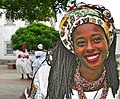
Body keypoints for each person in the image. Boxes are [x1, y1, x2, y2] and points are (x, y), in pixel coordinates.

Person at [22, 2, 120, 99]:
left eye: (97, 39)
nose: (90, 48)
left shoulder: (117, 83)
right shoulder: (46, 78)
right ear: (72, 47)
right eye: (81, 43)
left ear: (108, 41)